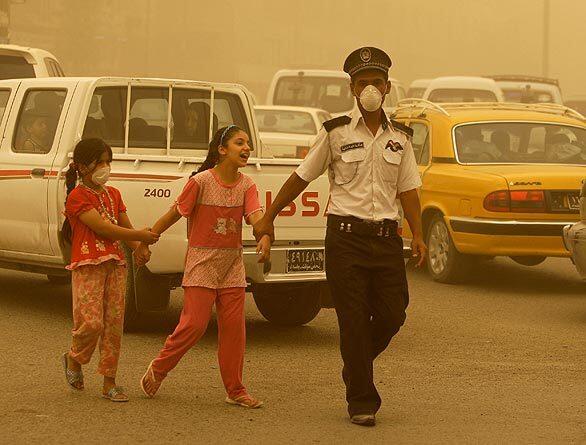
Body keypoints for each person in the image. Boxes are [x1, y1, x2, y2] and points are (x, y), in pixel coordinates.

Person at [253, 47, 427, 426]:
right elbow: (302, 175)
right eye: (362, 83)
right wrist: (270, 215)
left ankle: (355, 363)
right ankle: (362, 400)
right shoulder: (334, 133)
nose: (370, 89)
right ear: (352, 88)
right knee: (351, 319)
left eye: (376, 83)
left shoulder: (400, 137)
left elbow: (409, 189)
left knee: (393, 313)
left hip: (385, 239)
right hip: (345, 238)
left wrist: (418, 234)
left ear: (386, 88)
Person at [138, 125, 271, 409]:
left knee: (235, 329)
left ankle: (235, 389)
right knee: (194, 326)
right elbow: (175, 212)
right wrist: (148, 240)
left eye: (248, 143)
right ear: (222, 150)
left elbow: (256, 216)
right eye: (239, 143)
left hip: (231, 266)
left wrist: (266, 235)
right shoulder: (200, 182)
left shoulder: (247, 185)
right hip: (201, 263)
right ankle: (159, 368)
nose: (246, 148)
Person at [61, 138, 160, 402]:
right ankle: (74, 357)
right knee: (91, 323)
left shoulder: (113, 194)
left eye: (108, 161)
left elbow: (124, 227)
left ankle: (109, 382)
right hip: (87, 265)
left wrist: (140, 246)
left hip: (115, 265)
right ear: (81, 167)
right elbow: (103, 228)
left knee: (114, 325)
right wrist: (139, 235)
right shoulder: (77, 196)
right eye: (99, 162)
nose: (105, 167)